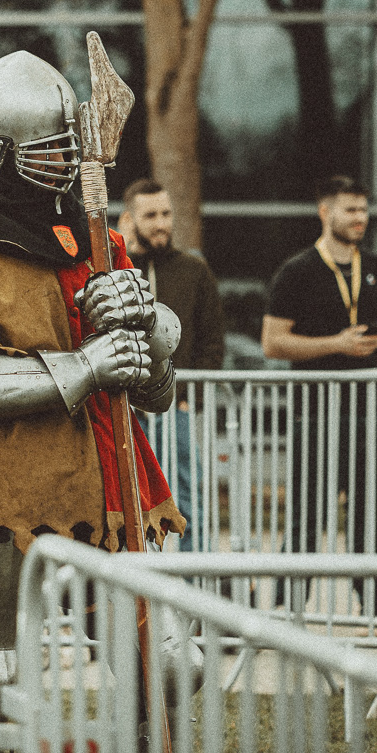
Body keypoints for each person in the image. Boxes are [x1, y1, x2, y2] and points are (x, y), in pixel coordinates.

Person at [0, 50, 184, 718]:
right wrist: (91, 361)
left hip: (105, 481)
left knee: (166, 666)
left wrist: (148, 326)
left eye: (68, 153)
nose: (66, 169)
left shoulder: (88, 233)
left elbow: (156, 391)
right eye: (49, 153)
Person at [262, 175, 377, 611]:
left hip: (372, 410)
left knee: (372, 511)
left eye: (364, 209)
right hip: (316, 412)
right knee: (308, 513)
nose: (360, 218)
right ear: (326, 212)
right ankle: (290, 603)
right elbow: (273, 342)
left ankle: (374, 597)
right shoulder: (297, 270)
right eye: (350, 210)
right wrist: (335, 344)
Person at [119, 177, 226, 553]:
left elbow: (212, 343)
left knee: (187, 495)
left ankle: (196, 589)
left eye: (166, 213)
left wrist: (186, 398)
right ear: (129, 219)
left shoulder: (194, 271)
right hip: (121, 406)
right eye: (150, 215)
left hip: (173, 407)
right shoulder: (114, 269)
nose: (162, 223)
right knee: (120, 498)